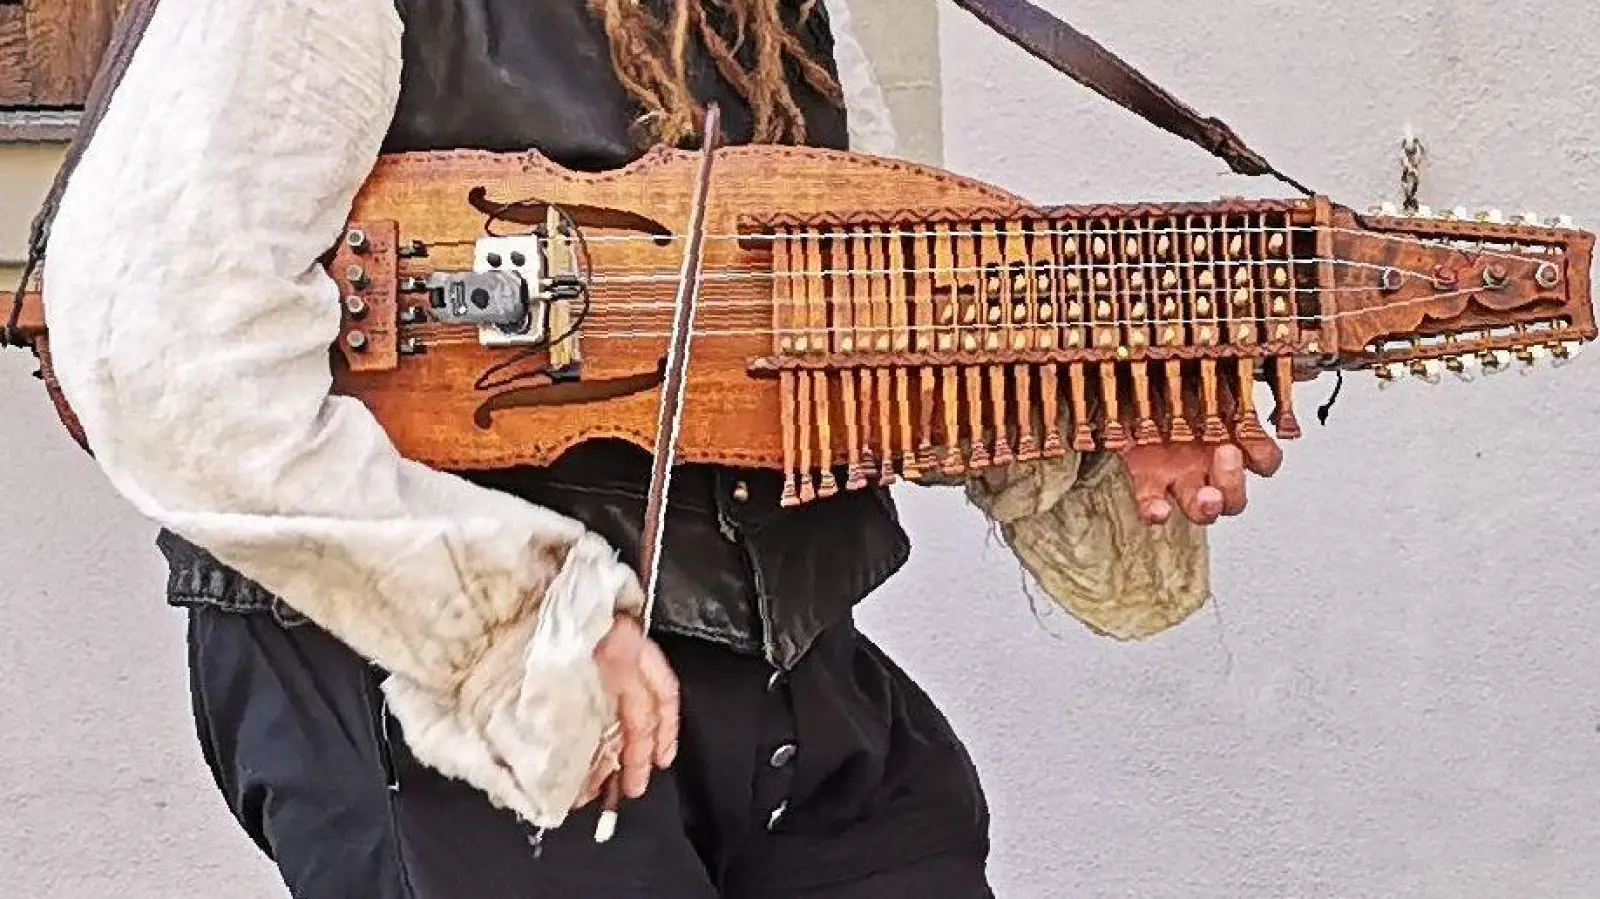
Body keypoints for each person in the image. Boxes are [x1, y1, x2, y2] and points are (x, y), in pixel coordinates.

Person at [35, 0, 1283, 896]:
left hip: (784, 670)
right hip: (435, 704)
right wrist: (520, 621)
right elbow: (169, 354)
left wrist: (1074, 423)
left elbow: (854, 312)